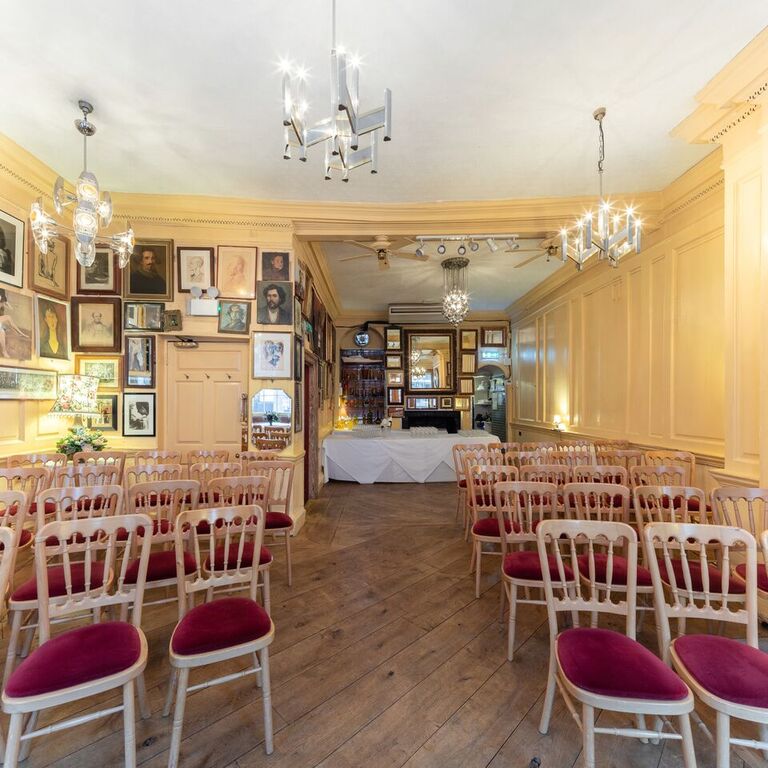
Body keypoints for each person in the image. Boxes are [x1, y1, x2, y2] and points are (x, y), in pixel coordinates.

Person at [0, 289, 30, 358]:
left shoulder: (3, 300)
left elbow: (10, 307)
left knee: (2, 331)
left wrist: (9, 305)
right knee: (7, 319)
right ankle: (20, 333)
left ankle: (4, 351)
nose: (2, 304)